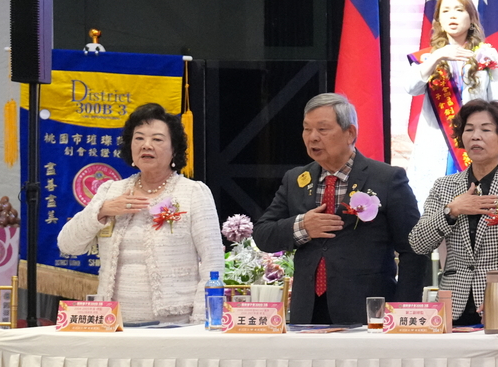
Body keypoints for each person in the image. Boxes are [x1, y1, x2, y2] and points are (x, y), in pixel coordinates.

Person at [253, 92, 423, 324]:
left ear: (350, 133)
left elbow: (413, 249)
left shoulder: (386, 179)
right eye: (307, 129)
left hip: (367, 312)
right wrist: (302, 226)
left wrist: (403, 311)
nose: (312, 137)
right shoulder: (296, 179)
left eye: (322, 129)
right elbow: (263, 234)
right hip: (308, 312)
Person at [57, 102, 223, 324]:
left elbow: (213, 263)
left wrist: (201, 323)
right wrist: (102, 211)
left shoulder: (192, 193)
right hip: (113, 323)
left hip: (174, 325)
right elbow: (67, 245)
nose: (146, 145)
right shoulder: (110, 191)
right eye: (139, 138)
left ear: (174, 149)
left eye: (157, 139)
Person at [408, 99, 498, 325]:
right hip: (452, 305)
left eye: (485, 130)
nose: (475, 136)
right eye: (469, 129)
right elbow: (418, 243)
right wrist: (451, 210)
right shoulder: (444, 186)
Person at [403, 0, 498, 196]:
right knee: (435, 202)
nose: (452, 15)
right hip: (437, 142)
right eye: (446, 11)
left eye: (459, 10)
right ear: (439, 20)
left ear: (471, 18)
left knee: (476, 200)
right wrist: (437, 57)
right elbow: (411, 88)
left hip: (476, 141)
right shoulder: (427, 58)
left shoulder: (486, 54)